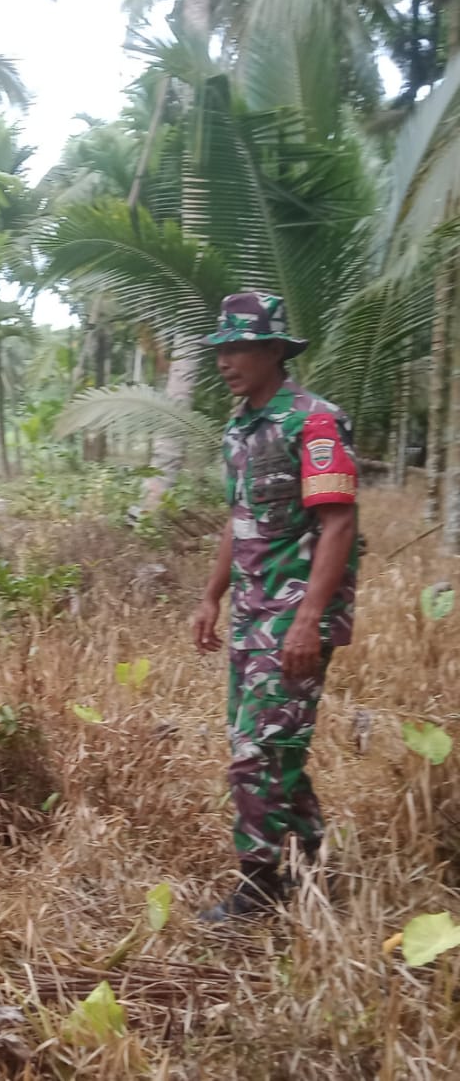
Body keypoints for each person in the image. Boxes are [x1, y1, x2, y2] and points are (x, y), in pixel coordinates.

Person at [192, 292, 358, 922]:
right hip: (251, 613)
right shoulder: (240, 427)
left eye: (238, 348)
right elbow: (240, 520)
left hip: (295, 615)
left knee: (256, 752)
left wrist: (308, 620)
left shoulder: (314, 423)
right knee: (268, 744)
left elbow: (338, 523)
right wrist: (211, 595)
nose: (226, 361)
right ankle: (312, 859)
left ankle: (260, 884)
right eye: (221, 349)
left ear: (274, 351)